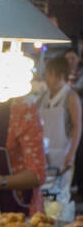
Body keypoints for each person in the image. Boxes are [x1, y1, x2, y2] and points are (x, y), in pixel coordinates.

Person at [38, 53, 81, 192]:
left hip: (63, 155)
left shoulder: (71, 97)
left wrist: (71, 153)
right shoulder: (43, 97)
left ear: (61, 76)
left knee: (59, 195)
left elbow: (77, 127)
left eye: (50, 75)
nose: (47, 79)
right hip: (43, 153)